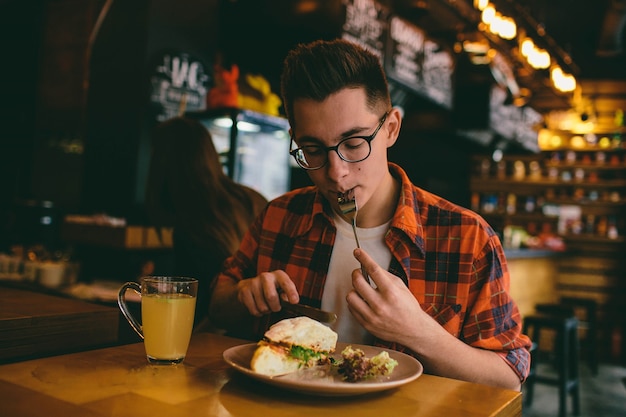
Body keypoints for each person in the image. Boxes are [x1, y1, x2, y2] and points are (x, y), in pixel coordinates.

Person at [208, 39, 532, 390]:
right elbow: (217, 308)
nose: (336, 173)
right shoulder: (279, 217)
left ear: (391, 128)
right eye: (313, 149)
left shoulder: (468, 238)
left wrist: (418, 332)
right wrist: (244, 295)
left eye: (353, 143)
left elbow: (508, 378)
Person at [145, 116, 268, 329]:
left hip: (217, 342)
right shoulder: (251, 198)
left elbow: (199, 313)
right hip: (261, 335)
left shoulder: (191, 225)